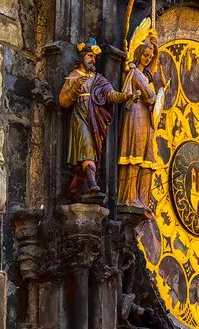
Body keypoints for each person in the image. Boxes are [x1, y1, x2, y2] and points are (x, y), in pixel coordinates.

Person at [58, 39, 126, 199]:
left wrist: (126, 96)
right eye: (90, 56)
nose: (93, 60)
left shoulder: (99, 79)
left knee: (90, 153)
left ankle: (75, 189)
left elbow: (111, 95)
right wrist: (75, 87)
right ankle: (93, 185)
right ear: (82, 56)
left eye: (94, 58)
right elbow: (63, 101)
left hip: (95, 120)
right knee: (87, 149)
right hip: (80, 118)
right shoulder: (73, 76)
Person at [113, 20, 163, 212]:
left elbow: (152, 72)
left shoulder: (144, 75)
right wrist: (156, 97)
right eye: (145, 55)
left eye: (150, 56)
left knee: (147, 160)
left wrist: (156, 51)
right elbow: (150, 97)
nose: (148, 59)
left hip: (146, 118)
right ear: (138, 55)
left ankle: (143, 199)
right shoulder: (135, 74)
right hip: (135, 115)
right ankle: (129, 197)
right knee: (134, 155)